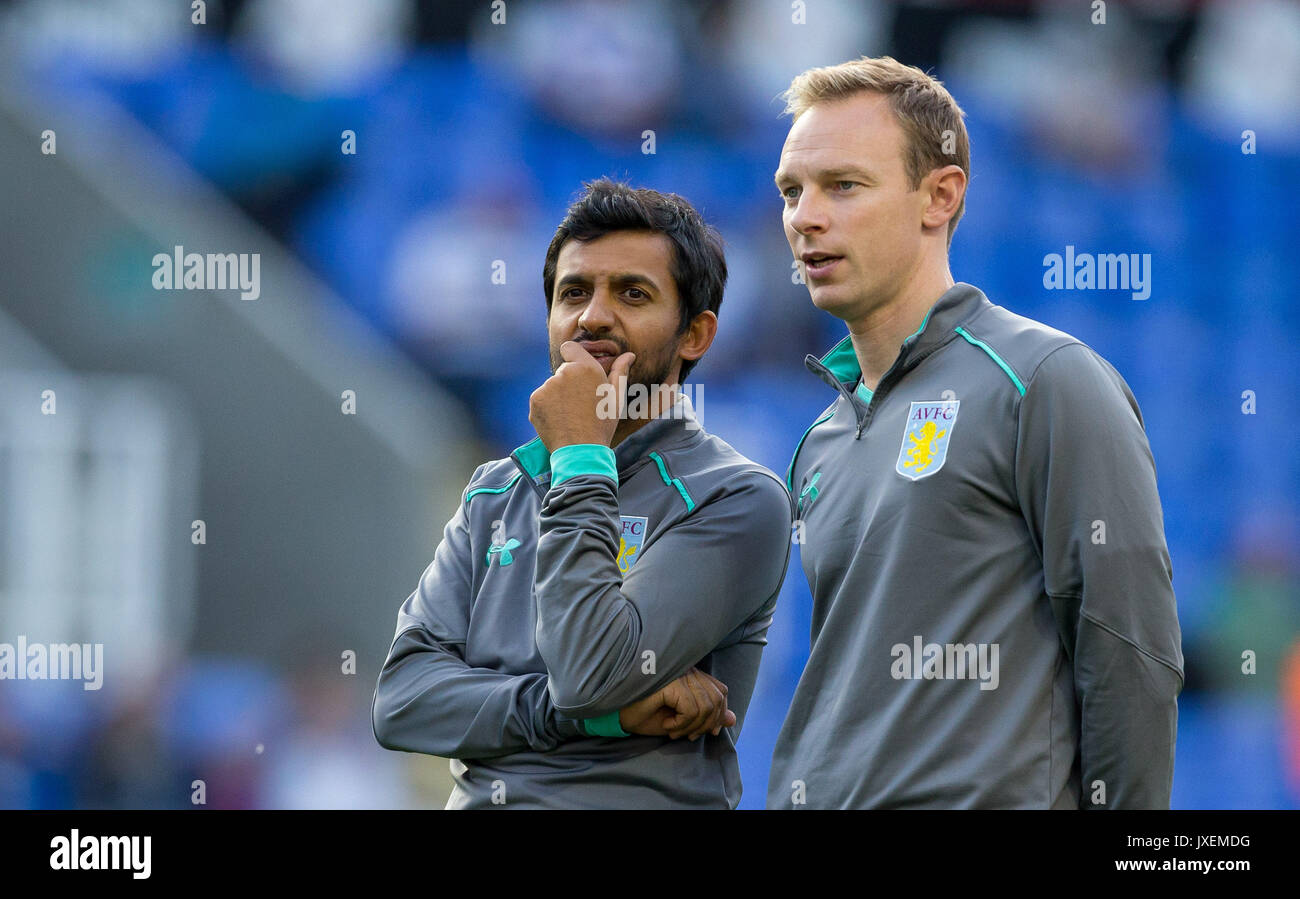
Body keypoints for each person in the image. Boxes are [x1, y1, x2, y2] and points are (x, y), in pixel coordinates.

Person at [766, 56, 1184, 809]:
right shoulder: (821, 437)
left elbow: (1129, 648)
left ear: (940, 195)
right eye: (792, 191)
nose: (805, 216)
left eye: (843, 185)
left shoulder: (1047, 380)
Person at [372, 178, 793, 809]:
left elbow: (591, 674)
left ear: (695, 335)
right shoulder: (497, 490)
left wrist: (579, 459)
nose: (593, 316)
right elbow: (401, 702)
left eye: (632, 293)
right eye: (574, 292)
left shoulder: (737, 498)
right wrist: (596, 719)